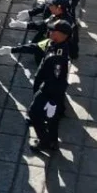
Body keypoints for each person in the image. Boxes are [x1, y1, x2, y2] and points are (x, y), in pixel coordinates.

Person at [25, 20, 71, 152]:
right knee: (51, 118)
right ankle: (52, 141)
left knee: (35, 114)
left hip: (50, 91)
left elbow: (58, 80)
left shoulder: (59, 57)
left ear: (62, 35)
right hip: (47, 89)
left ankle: (45, 142)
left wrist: (52, 101)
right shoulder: (53, 44)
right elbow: (38, 47)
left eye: (53, 30)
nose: (49, 32)